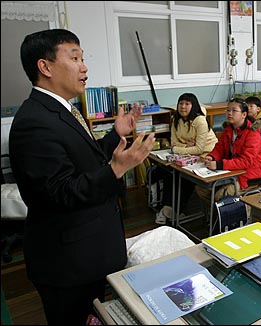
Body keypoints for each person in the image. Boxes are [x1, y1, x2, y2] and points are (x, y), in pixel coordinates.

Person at [8, 29, 155, 324]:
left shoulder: (62, 110)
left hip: (89, 251)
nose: (84, 67)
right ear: (45, 67)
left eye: (83, 58)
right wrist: (116, 170)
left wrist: (115, 135)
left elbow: (85, 162)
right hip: (68, 262)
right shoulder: (34, 122)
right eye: (74, 58)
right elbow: (61, 192)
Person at [155, 93, 218, 224]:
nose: (183, 107)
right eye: (181, 103)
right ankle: (169, 209)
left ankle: (175, 211)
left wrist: (178, 148)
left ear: (193, 105)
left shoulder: (200, 121)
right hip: (187, 155)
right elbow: (173, 142)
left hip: (206, 156)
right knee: (168, 173)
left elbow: (199, 149)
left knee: (184, 177)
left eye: (187, 104)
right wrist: (185, 146)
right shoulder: (176, 119)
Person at [195, 98, 261, 202]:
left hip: (248, 176)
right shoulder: (229, 129)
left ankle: (219, 214)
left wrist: (219, 164)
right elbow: (219, 148)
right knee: (201, 189)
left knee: (221, 194)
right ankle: (214, 214)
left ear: (244, 114)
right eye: (228, 110)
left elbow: (246, 161)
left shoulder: (252, 134)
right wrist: (211, 156)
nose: (230, 113)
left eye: (234, 110)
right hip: (231, 172)